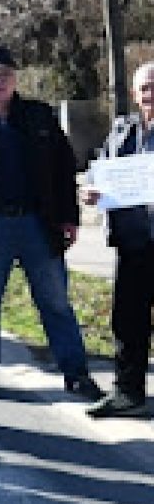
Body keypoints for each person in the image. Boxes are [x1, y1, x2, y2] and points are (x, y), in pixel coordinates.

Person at [0, 43, 102, 399]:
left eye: (4, 75)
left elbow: (64, 169)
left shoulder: (39, 117)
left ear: (15, 79)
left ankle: (76, 372)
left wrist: (69, 217)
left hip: (38, 224)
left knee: (55, 302)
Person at [83, 61, 154, 418]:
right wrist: (93, 191)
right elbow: (99, 169)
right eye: (144, 88)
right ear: (134, 94)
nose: (150, 94)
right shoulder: (122, 132)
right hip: (132, 242)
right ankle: (128, 393)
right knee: (127, 321)